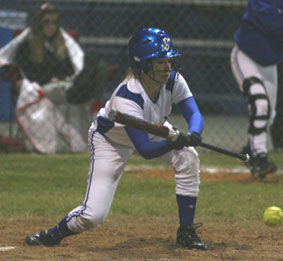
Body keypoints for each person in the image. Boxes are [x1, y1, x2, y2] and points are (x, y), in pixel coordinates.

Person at [24, 28, 208, 251]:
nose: (167, 66)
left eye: (168, 60)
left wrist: (194, 134)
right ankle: (52, 234)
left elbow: (194, 113)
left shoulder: (173, 80)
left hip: (152, 128)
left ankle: (186, 231)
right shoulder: (127, 97)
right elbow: (146, 149)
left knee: (188, 157)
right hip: (111, 140)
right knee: (93, 216)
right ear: (142, 65)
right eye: (159, 62)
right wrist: (173, 141)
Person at [0, 3, 105, 153]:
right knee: (67, 90)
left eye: (54, 23)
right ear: (38, 23)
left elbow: (69, 69)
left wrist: (63, 78)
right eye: (46, 22)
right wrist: (51, 79)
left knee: (72, 88)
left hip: (63, 85)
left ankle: (86, 82)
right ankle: (86, 85)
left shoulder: (61, 45)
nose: (51, 26)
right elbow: (27, 73)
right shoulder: (26, 45)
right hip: (41, 86)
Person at [230, 0, 283, 178]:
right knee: (260, 104)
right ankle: (259, 158)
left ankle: (248, 151)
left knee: (268, 116)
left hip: (270, 65)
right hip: (246, 57)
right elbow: (272, 23)